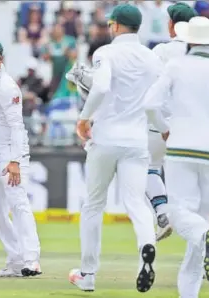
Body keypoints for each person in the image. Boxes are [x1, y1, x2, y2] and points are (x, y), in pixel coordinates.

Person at [68, 4, 162, 293]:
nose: (108, 28)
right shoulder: (151, 57)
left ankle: (88, 275)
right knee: (137, 202)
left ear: (117, 25)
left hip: (106, 137)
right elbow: (156, 100)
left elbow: (101, 88)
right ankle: (146, 247)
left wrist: (84, 119)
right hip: (137, 139)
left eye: (111, 24)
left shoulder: (105, 53)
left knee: (94, 204)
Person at [144, 16, 209, 298]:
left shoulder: (177, 66)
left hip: (181, 147)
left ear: (190, 40)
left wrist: (165, 129)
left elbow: (151, 104)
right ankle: (188, 294)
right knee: (200, 216)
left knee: (178, 215)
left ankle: (205, 237)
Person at [0, 38, 42, 277]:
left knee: (18, 202)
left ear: (1, 60)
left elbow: (17, 127)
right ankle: (15, 260)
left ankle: (32, 260)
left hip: (10, 152)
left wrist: (15, 160)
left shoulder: (7, 87)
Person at [147, 2, 198, 242]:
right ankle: (198, 235)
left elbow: (147, 91)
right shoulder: (201, 55)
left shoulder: (161, 51)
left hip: (159, 126)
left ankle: (161, 212)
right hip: (191, 129)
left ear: (172, 24)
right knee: (190, 194)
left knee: (148, 168)